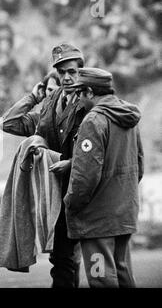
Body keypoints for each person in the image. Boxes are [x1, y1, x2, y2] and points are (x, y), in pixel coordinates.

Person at [1, 43, 87, 288]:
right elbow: (9, 123)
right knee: (61, 258)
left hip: (80, 187)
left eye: (72, 71)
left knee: (77, 260)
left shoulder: (89, 102)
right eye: (61, 72)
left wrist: (70, 163)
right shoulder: (50, 104)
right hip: (53, 193)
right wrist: (34, 96)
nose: (67, 77)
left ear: (82, 70)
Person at [64, 67, 144, 288]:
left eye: (80, 92)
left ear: (90, 92)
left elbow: (85, 176)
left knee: (101, 279)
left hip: (97, 219)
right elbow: (139, 166)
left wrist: (71, 203)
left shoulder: (93, 120)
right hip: (124, 213)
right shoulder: (129, 118)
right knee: (123, 273)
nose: (78, 98)